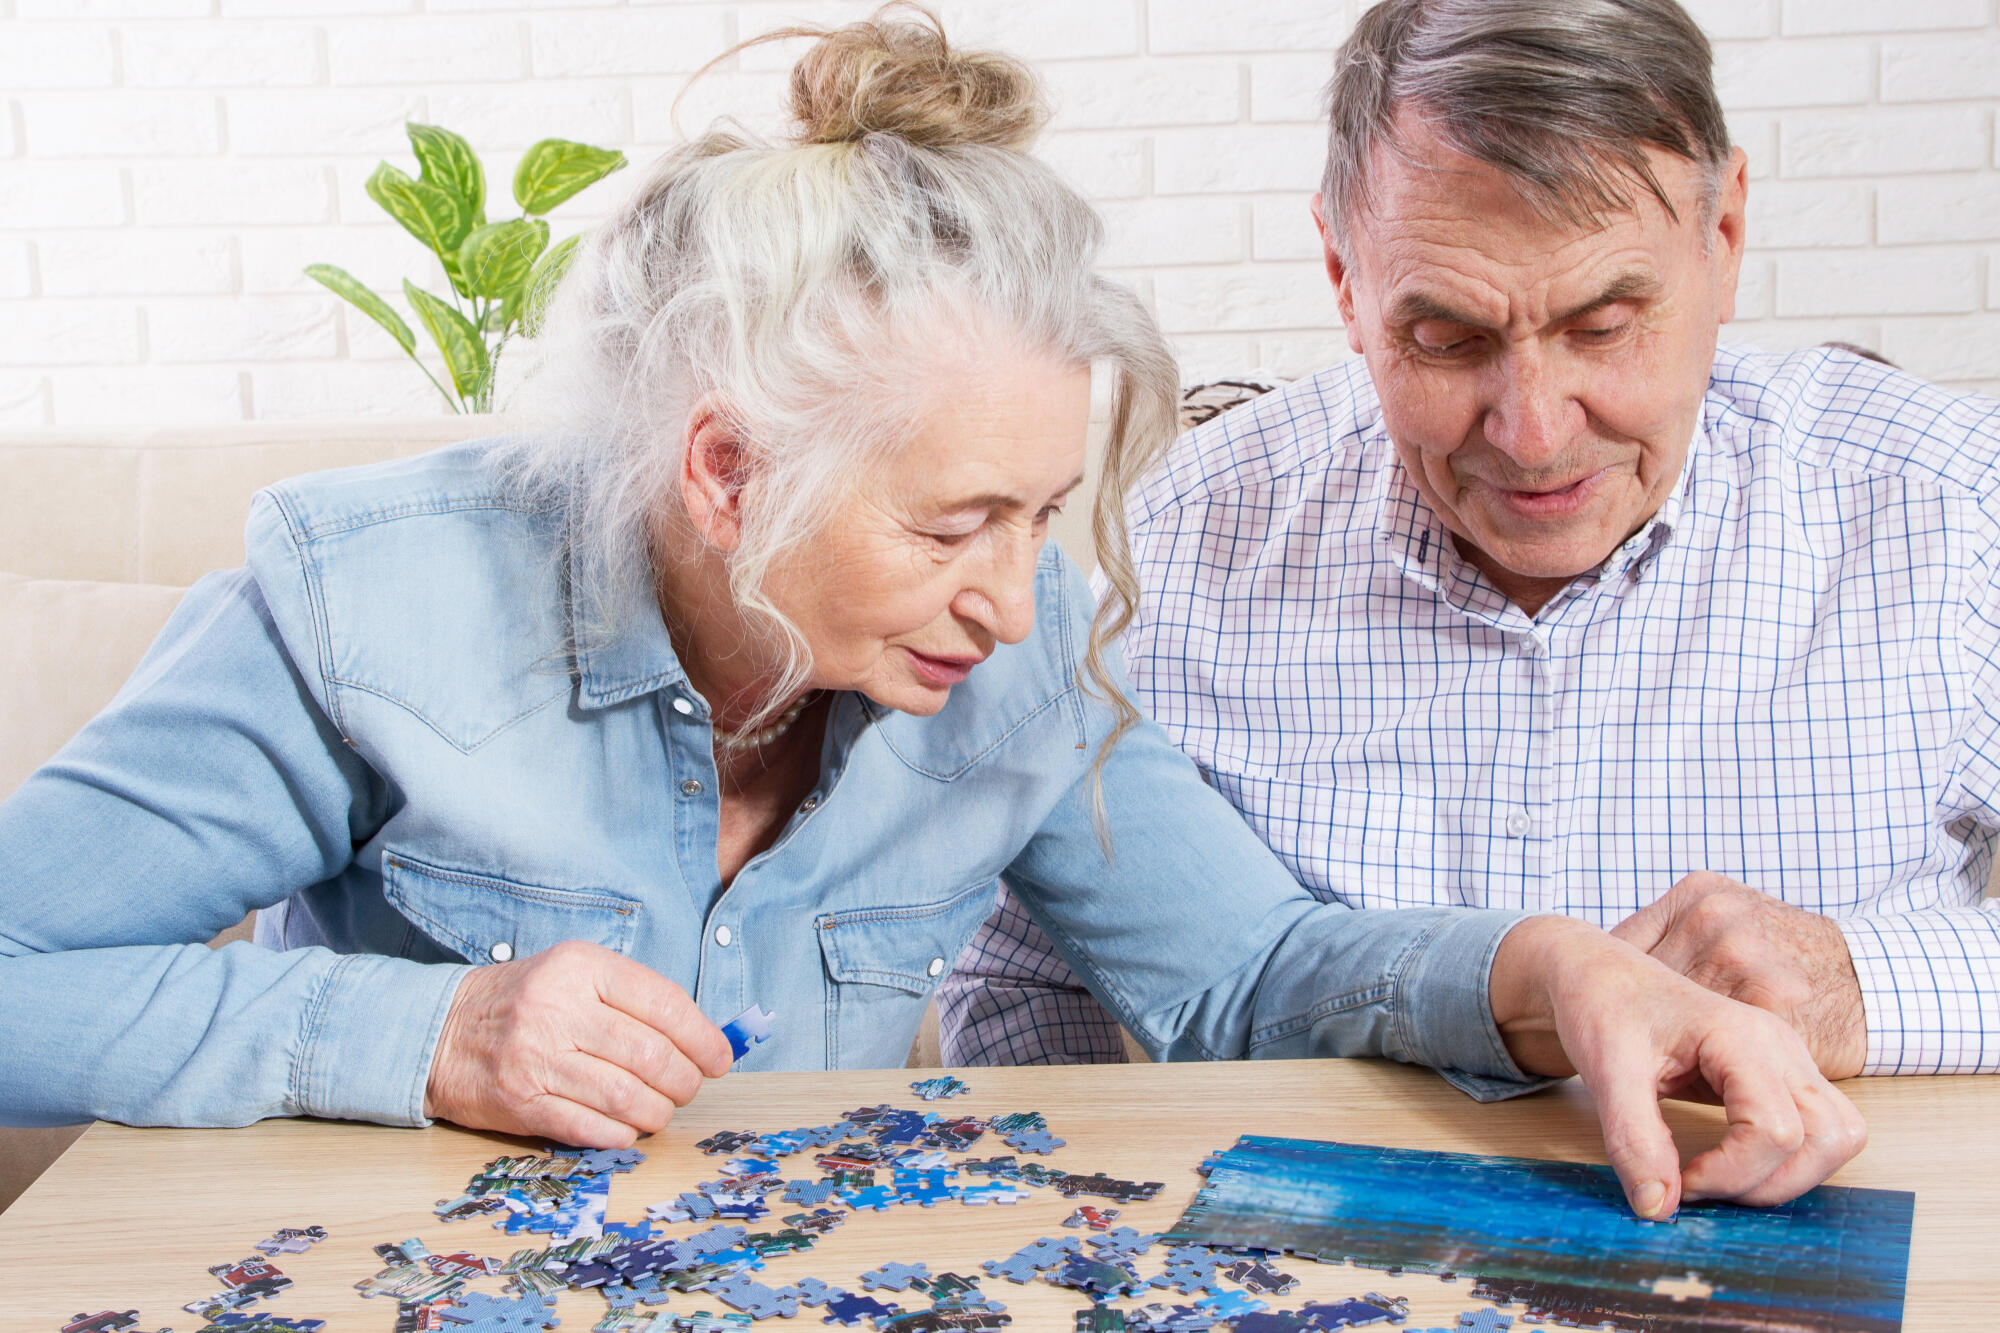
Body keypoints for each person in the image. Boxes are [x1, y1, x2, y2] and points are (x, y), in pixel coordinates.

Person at [0, 10, 1861, 1220]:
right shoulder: (359, 599)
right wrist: (429, 1037)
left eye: (1045, 512)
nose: (1018, 589)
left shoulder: (999, 646)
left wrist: (1549, 972)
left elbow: (1238, 969)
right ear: (729, 473)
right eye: (958, 519)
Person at [942, 0, 2000, 1095]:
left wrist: (1860, 984)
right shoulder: (1163, 555)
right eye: (1446, 339)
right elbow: (1020, 981)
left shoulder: (1954, 507)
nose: (1533, 433)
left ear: (1722, 239)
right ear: (1343, 277)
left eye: (1601, 325)